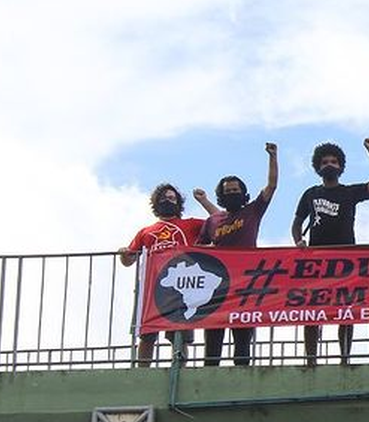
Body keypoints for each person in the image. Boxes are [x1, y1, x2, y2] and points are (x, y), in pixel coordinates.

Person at [292, 139, 369, 365]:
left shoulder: (350, 192)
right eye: (325, 162)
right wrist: (299, 242)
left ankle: (345, 357)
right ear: (318, 166)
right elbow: (297, 223)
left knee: (346, 311)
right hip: (316, 260)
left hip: (347, 260)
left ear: (341, 166)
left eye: (334, 161)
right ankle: (311, 360)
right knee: (313, 310)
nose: (330, 165)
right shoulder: (310, 194)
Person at [194, 142, 278, 366]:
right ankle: (210, 373)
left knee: (242, 334)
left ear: (243, 193)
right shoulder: (212, 220)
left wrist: (272, 156)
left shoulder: (253, 210)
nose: (232, 193)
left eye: (235, 190)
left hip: (247, 283)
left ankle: (242, 371)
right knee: (213, 332)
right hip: (216, 284)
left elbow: (271, 186)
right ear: (221, 196)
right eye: (228, 191)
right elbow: (198, 249)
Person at [118, 183, 205, 366]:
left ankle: (179, 369)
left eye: (172, 198)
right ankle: (142, 374)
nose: (168, 201)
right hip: (151, 288)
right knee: (147, 334)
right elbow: (128, 261)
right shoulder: (145, 232)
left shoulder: (191, 224)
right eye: (164, 198)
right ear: (156, 203)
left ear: (178, 203)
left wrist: (203, 201)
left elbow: (221, 223)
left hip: (181, 286)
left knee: (179, 335)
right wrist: (123, 253)